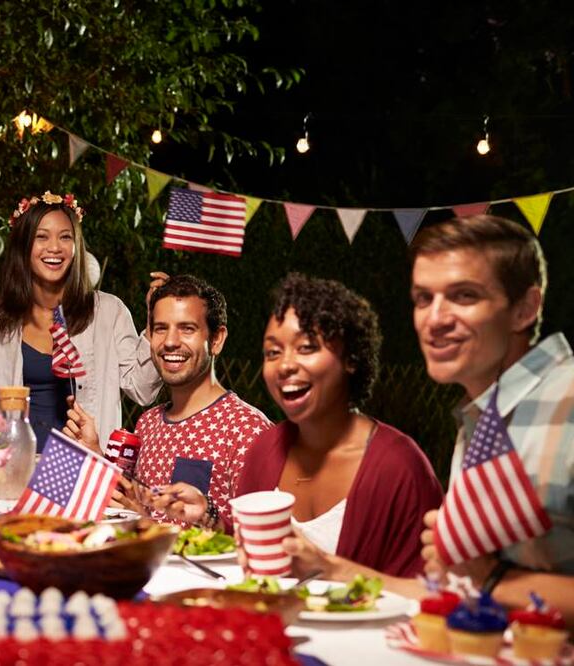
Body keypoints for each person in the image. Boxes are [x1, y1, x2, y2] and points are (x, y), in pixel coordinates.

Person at [411, 215, 574, 622]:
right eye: (423, 299)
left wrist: (488, 576)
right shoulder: (484, 412)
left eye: (464, 296)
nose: (435, 319)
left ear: (525, 309)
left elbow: (479, 575)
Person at [233, 273, 443, 577]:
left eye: (306, 347)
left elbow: (429, 587)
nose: (285, 365)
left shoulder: (399, 468)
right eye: (272, 352)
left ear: (351, 358)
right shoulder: (264, 451)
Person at [65, 275, 270, 528]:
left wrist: (196, 521)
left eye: (187, 329)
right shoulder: (147, 424)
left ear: (216, 340)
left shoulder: (247, 430)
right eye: (161, 328)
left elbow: (264, 536)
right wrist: (95, 454)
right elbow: (138, 507)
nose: (170, 342)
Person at [0, 191, 161, 452]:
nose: (54, 247)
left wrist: (157, 323)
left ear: (76, 245)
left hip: (85, 462)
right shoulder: (1, 321)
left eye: (65, 237)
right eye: (42, 236)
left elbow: (143, 391)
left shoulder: (108, 311)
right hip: (18, 460)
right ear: (23, 245)